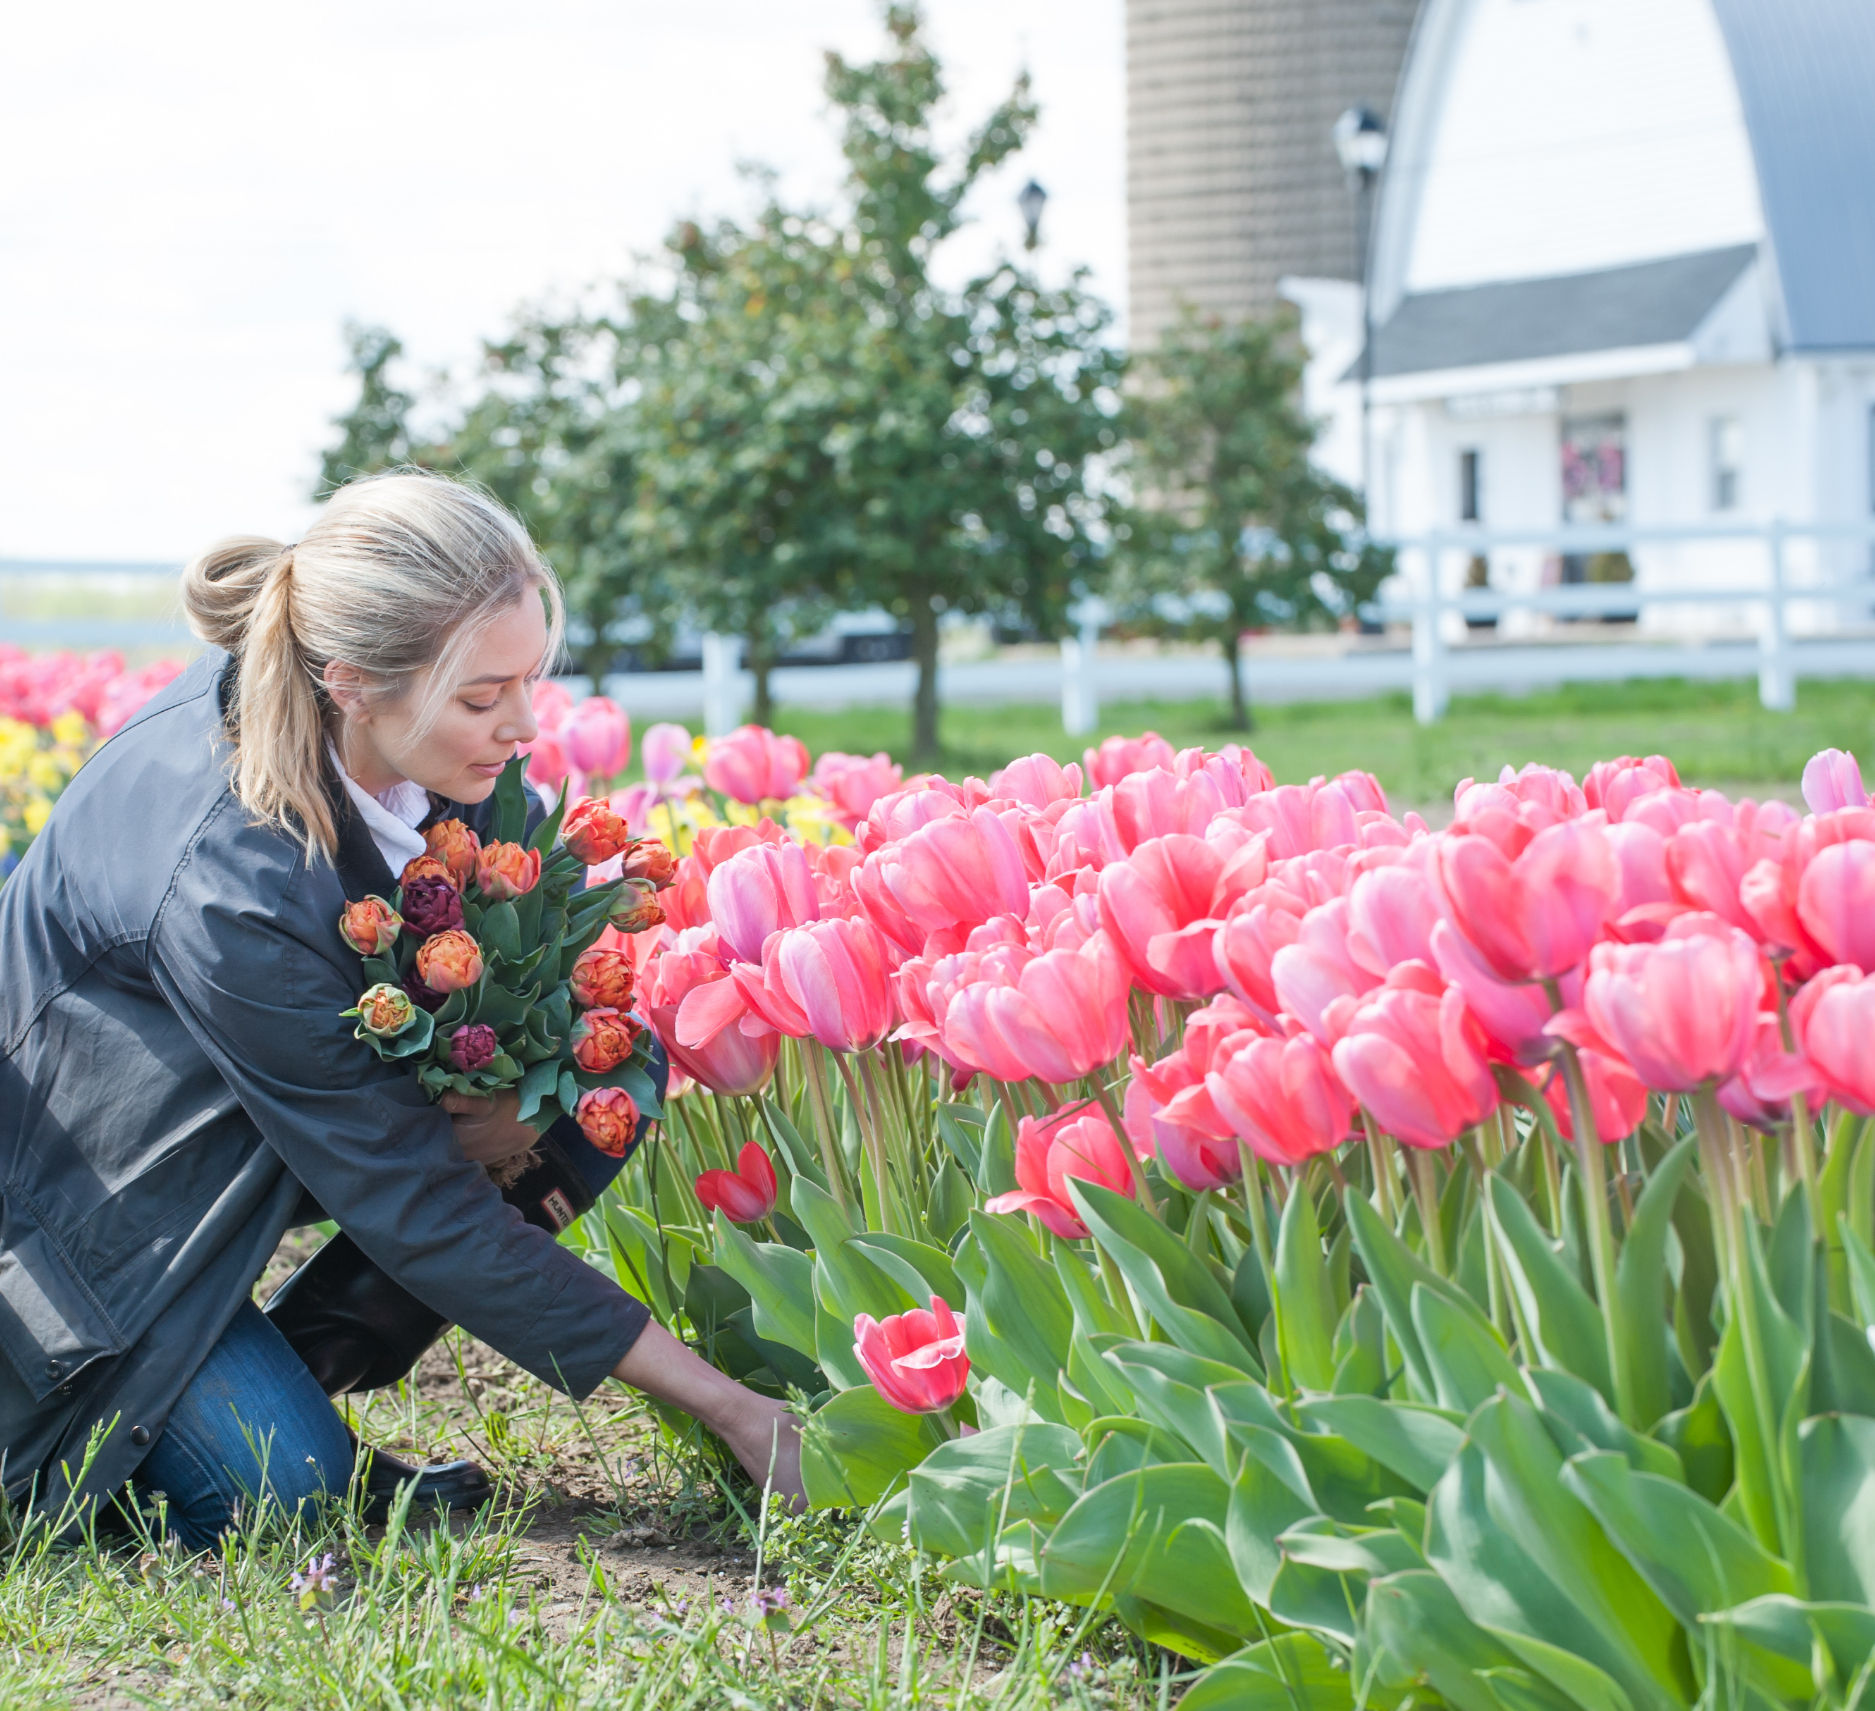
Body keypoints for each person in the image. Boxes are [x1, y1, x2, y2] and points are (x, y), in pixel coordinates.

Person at [0, 469, 801, 1551]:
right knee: (280, 1492)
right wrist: (735, 1408)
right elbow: (415, 1201)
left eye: (529, 680)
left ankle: (280, 1372)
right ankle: (179, 1419)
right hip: (75, 1231)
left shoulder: (325, 717)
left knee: (597, 1077)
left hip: (202, 1162)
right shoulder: (232, 884)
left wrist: (506, 1077)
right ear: (355, 681)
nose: (523, 725)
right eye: (481, 697)